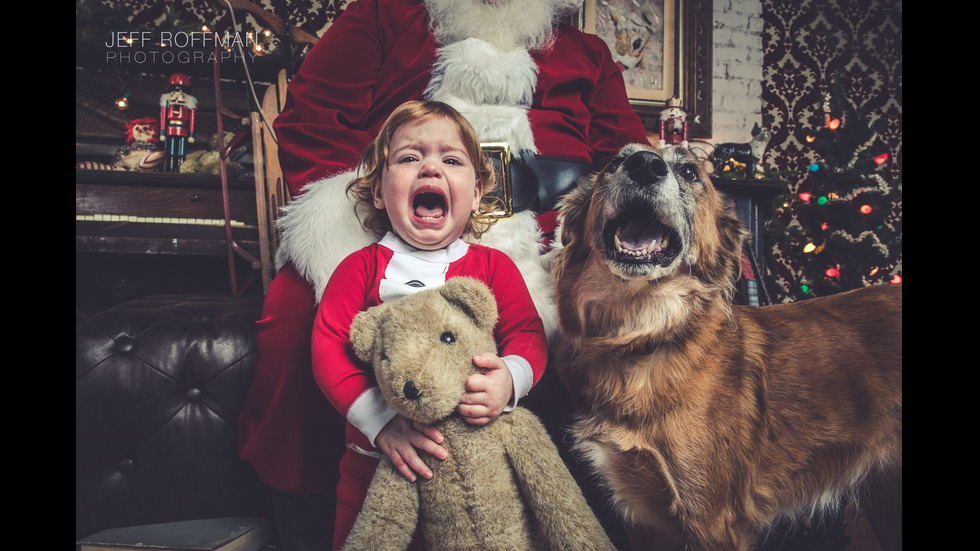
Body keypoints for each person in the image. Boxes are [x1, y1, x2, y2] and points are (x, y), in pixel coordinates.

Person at [237, 1, 650, 549]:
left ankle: (633, 504)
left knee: (634, 325)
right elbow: (313, 123)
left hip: (557, 238)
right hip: (384, 222)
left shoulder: (588, 54)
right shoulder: (385, 15)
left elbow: (626, 160)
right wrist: (376, 223)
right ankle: (303, 517)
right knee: (295, 316)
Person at [313, 100, 548, 550]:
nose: (430, 169)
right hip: (377, 463)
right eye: (409, 157)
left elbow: (528, 333)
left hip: (474, 469)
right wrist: (381, 424)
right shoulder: (360, 268)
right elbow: (328, 346)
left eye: (451, 159)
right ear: (380, 192)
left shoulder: (493, 266)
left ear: (477, 193)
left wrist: (510, 380)